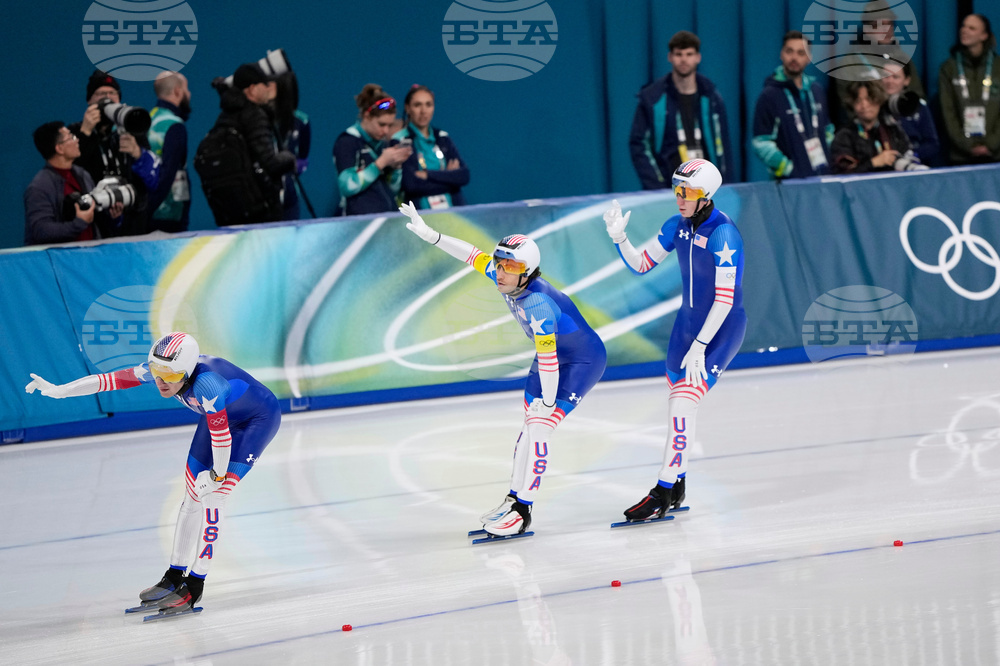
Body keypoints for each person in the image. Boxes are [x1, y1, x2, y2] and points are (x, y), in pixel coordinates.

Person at [24, 332, 281, 617]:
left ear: (187, 371)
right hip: (218, 417)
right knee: (191, 496)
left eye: (169, 376)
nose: (160, 382)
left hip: (256, 420)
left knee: (214, 496)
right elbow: (108, 381)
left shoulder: (208, 385)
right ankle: (174, 576)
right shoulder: (166, 369)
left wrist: (217, 477)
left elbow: (221, 439)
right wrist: (61, 391)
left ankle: (195, 584)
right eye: (156, 373)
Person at [400, 202, 607, 537]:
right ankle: (513, 498)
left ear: (527, 272)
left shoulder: (537, 303)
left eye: (509, 266)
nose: (500, 272)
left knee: (540, 426)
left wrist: (549, 403)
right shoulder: (509, 278)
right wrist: (432, 235)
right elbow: (471, 255)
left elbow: (550, 359)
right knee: (528, 425)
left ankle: (523, 511)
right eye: (499, 264)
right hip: (552, 358)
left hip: (582, 361)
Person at [602, 159, 746, 521]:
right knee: (681, 407)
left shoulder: (723, 234)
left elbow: (725, 300)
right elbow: (641, 264)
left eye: (688, 192)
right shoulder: (676, 226)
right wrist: (619, 238)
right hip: (687, 328)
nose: (680, 198)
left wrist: (701, 345)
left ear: (707, 196)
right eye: (677, 189)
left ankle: (662, 491)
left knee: (682, 403)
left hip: (720, 329)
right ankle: (678, 483)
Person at [629, 31, 733, 188]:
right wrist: (656, 187)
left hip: (707, 186)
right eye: (678, 54)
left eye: (689, 54)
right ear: (670, 57)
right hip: (668, 187)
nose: (684, 59)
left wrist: (725, 185)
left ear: (698, 57)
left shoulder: (711, 97)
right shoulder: (652, 98)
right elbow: (639, 145)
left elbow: (723, 145)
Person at [69, 70, 156, 237]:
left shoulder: (132, 130)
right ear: (89, 100)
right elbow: (71, 173)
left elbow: (149, 178)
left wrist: (138, 153)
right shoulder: (74, 133)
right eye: (100, 94)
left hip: (132, 220)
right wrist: (85, 133)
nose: (107, 98)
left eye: (112, 93)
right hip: (92, 221)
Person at [206, 62, 296, 224]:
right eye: (264, 84)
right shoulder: (254, 115)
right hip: (260, 213)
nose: (268, 88)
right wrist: (289, 158)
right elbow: (271, 164)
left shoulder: (225, 117)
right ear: (252, 89)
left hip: (230, 212)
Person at [752, 31, 835, 179]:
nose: (794, 58)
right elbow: (761, 143)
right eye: (789, 51)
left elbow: (828, 130)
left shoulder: (817, 91)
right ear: (781, 54)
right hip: (789, 184)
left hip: (823, 177)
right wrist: (788, 169)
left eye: (801, 53)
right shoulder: (769, 95)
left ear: (809, 58)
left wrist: (829, 160)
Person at [24, 121, 112, 244]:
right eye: (71, 137)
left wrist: (113, 216)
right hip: (62, 256)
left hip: (91, 253)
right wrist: (79, 223)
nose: (77, 140)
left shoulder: (82, 175)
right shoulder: (39, 187)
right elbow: (42, 231)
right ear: (59, 148)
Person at [333, 84, 412, 215]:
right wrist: (380, 163)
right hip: (359, 221)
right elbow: (347, 186)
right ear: (367, 116)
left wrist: (396, 168)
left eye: (389, 125)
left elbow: (393, 190)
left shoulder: (382, 144)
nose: (386, 131)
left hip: (387, 218)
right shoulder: (347, 142)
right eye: (381, 124)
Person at [392, 84, 470, 210]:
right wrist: (449, 178)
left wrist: (428, 175)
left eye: (428, 105)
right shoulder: (400, 140)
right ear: (408, 108)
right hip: (421, 215)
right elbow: (411, 185)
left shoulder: (443, 137)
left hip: (454, 213)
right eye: (417, 105)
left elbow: (463, 176)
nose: (423, 111)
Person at [938, 13, 1000, 164]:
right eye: (963, 26)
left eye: (972, 28)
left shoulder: (998, 67)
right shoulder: (949, 68)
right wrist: (967, 145)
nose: (964, 30)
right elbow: (948, 111)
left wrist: (991, 144)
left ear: (984, 35)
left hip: (996, 154)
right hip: (960, 156)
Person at [831, 80, 929, 174]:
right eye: (858, 101)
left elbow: (908, 156)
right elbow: (842, 175)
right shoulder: (845, 136)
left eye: (869, 99)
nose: (864, 105)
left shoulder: (892, 130)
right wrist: (874, 163)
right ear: (852, 104)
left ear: (879, 100)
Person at [146, 71, 192, 232]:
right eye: (187, 89)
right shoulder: (174, 125)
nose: (189, 94)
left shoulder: (146, 120)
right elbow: (168, 174)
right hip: (168, 215)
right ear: (178, 91)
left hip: (146, 212)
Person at [880, 63, 940, 165]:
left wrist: (911, 155)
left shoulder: (918, 106)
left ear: (907, 80)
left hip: (914, 166)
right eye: (886, 76)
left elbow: (932, 144)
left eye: (895, 77)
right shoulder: (872, 108)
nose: (890, 81)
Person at [273, 70, 312, 220]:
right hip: (265, 194)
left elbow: (303, 158)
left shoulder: (302, 121)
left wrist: (293, 169)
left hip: (290, 194)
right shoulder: (261, 121)